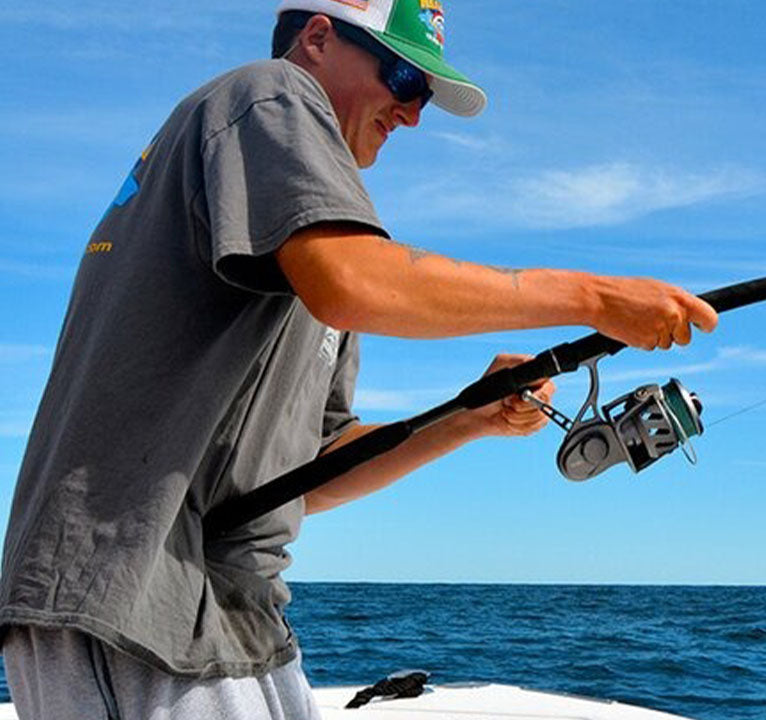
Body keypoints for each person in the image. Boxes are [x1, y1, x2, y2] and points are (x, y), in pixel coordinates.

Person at [0, 1, 717, 717]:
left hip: (236, 610)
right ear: (317, 38)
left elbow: (312, 470)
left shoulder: (319, 249)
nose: (413, 113)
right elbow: (353, 284)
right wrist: (593, 298)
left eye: (425, 95)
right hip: (136, 589)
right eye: (403, 77)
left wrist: (469, 417)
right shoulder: (268, 94)